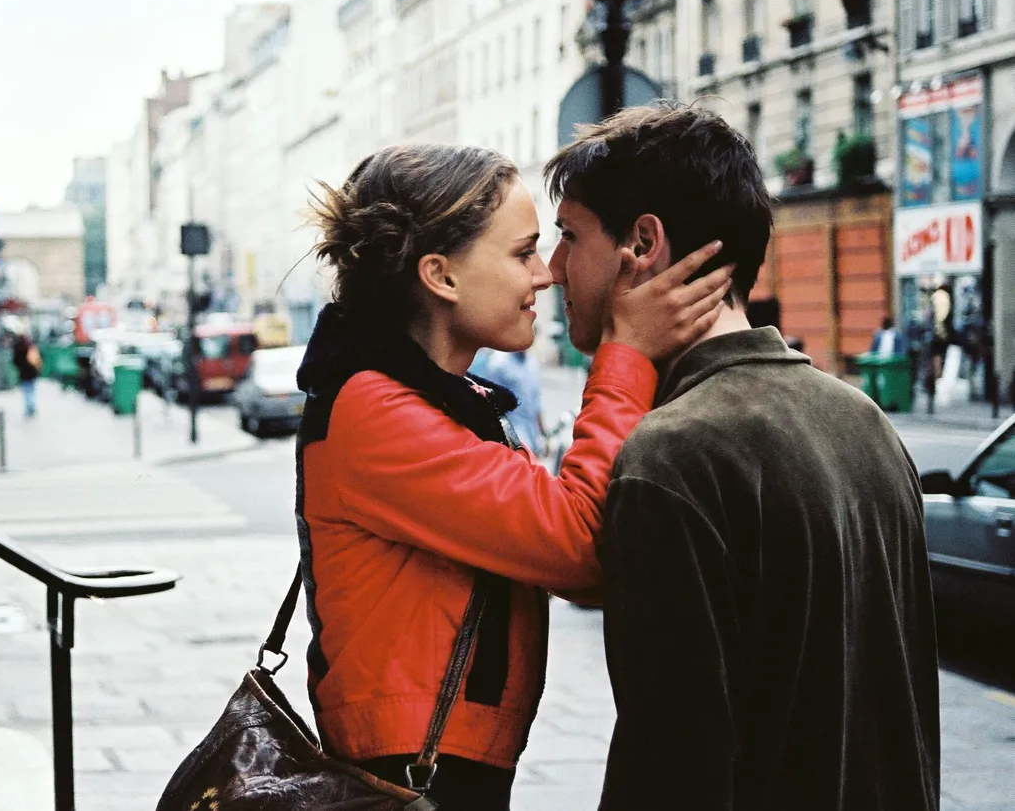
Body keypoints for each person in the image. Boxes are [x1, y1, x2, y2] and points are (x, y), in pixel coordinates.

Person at [295, 143, 732, 808]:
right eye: (523, 251)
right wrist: (626, 353)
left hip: (435, 761)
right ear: (440, 276)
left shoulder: (432, 399)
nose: (546, 274)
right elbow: (580, 545)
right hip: (409, 774)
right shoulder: (374, 412)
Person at [541, 103, 939, 810]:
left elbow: (671, 765)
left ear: (643, 243)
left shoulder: (671, 457)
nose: (552, 268)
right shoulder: (868, 423)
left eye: (570, 236)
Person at [480, 349, 546, 456]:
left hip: (532, 437)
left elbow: (536, 404)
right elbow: (490, 404)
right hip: (512, 439)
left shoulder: (532, 363)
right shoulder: (498, 364)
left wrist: (543, 435)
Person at [12, 332, 42, 418]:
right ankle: (32, 407)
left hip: (23, 373)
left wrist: (20, 366)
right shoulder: (30, 346)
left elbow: (15, 361)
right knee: (32, 391)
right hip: (32, 373)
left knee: (26, 392)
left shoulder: (17, 348)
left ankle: (29, 409)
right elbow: (37, 359)